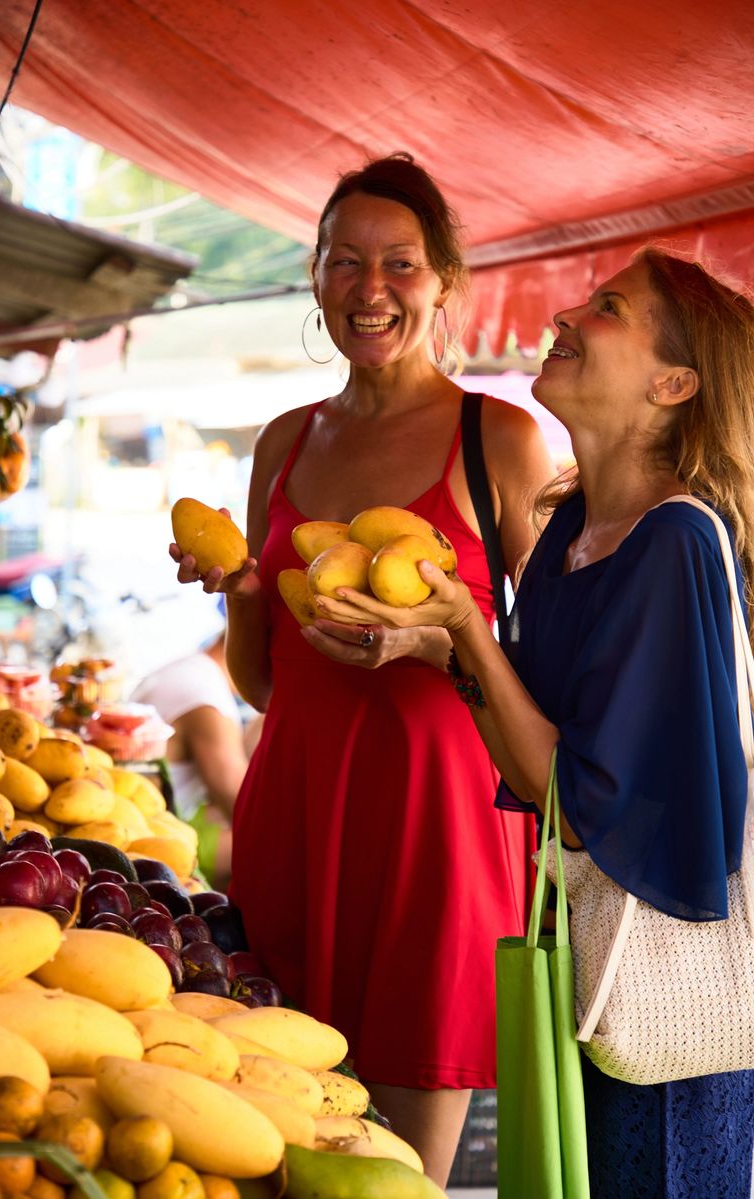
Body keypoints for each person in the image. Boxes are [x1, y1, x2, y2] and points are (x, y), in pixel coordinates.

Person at [321, 245, 754, 1197]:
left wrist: (468, 633)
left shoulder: (675, 540)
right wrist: (433, 645)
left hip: (662, 1007)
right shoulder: (571, 528)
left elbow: (583, 798)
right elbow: (531, 764)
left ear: (673, 381)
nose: (564, 316)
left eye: (607, 308)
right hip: (584, 972)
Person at [170, 152, 554, 1185]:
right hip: (296, 815)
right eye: (345, 262)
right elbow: (264, 684)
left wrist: (439, 642)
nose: (369, 289)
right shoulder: (282, 445)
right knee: (282, 1150)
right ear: (315, 276)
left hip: (440, 828)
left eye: (397, 264)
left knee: (393, 1174)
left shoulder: (500, 439)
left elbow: (560, 664)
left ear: (440, 282)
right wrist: (241, 591)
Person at [130, 599, 252, 891]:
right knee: (285, 847)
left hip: (161, 812)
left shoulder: (192, 669)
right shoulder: (205, 702)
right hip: (168, 836)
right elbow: (244, 809)